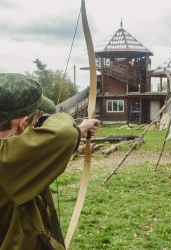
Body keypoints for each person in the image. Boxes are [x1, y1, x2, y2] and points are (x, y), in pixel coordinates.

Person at [0, 73, 100, 250]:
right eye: (37, 119)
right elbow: (64, 134)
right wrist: (55, 122)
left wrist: (80, 129)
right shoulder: (8, 161)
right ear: (23, 124)